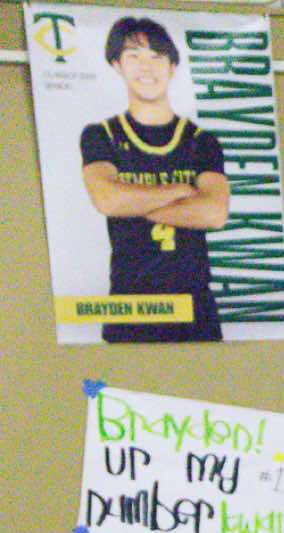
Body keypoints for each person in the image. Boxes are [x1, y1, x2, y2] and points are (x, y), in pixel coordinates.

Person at [78, 16, 228, 343]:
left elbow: (214, 213)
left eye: (157, 56)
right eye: (133, 55)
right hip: (131, 305)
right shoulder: (101, 135)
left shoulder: (201, 141)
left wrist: (134, 203)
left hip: (194, 306)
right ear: (117, 65)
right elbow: (108, 199)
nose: (146, 67)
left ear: (173, 66)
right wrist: (181, 191)